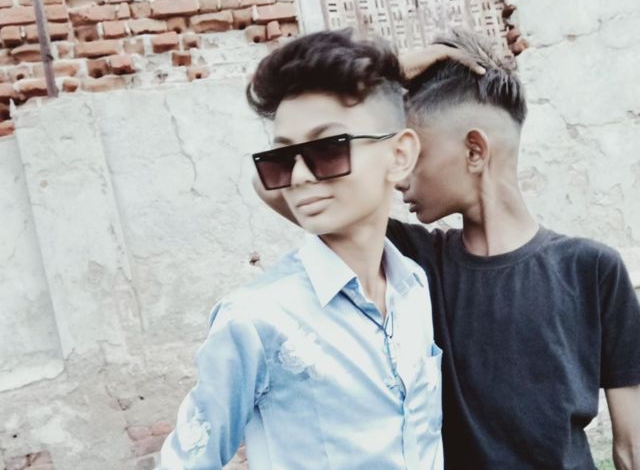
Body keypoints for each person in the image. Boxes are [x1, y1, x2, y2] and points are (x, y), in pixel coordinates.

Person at [256, 29, 640, 470]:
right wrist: (389, 77)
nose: (398, 177)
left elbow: (632, 447)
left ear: (474, 150)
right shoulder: (413, 260)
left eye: (414, 154)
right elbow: (271, 186)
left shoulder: (591, 269)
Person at [157, 29, 444, 470]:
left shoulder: (414, 287)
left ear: (400, 155)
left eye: (328, 149)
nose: (300, 177)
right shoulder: (256, 319)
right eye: (283, 159)